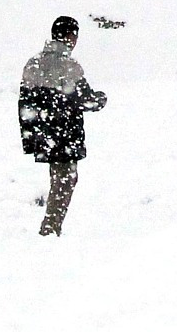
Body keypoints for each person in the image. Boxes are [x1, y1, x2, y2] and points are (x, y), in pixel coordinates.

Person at [19, 16, 107, 237]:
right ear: (70, 36)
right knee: (65, 180)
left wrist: (30, 137)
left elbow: (25, 104)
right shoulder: (69, 66)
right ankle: (50, 228)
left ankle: (51, 226)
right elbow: (85, 100)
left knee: (58, 179)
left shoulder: (34, 63)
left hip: (44, 134)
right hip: (65, 134)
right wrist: (101, 99)